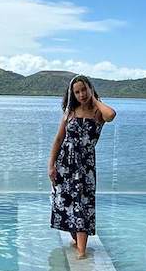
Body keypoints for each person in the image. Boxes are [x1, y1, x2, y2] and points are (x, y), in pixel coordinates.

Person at [48, 74, 116, 258]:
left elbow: (111, 115)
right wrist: (51, 165)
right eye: (77, 92)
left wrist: (95, 99)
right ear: (72, 94)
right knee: (65, 203)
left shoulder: (98, 113)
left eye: (84, 89)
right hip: (65, 163)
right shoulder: (69, 113)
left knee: (83, 203)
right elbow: (58, 139)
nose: (81, 94)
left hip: (85, 165)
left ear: (90, 89)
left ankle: (81, 252)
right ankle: (77, 241)